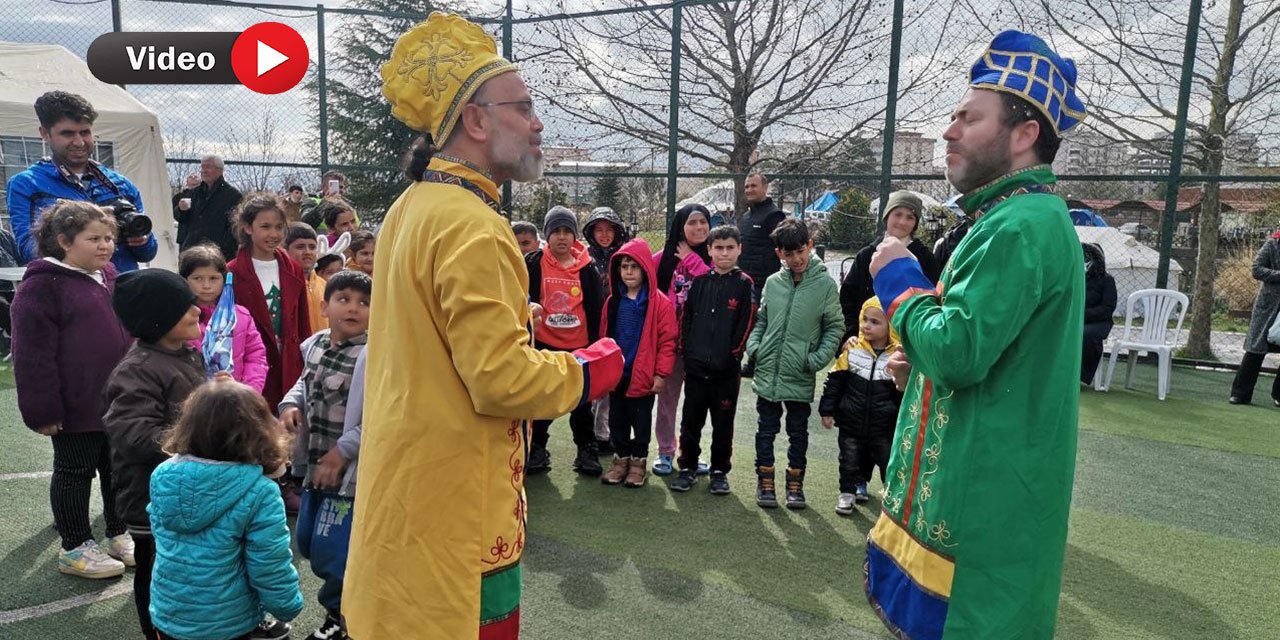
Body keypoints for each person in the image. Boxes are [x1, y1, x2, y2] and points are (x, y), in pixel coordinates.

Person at [346, 13, 623, 638]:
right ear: (475, 120)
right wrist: (592, 365)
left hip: (407, 485)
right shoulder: (473, 224)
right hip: (458, 505)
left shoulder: (410, 208)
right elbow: (500, 383)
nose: (538, 122)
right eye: (523, 107)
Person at [864, 30, 1086, 639]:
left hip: (985, 505)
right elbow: (986, 354)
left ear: (1023, 134)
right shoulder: (1020, 215)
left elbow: (958, 353)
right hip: (989, 484)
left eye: (969, 117)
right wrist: (925, 371)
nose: (949, 131)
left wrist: (900, 281)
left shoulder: (1018, 224)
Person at [11, 200, 134, 579]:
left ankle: (117, 531)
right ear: (64, 241)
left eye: (109, 237)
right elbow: (31, 355)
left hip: (115, 401)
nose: (105, 245)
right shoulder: (41, 286)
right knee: (75, 471)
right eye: (93, 238)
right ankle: (75, 545)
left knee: (118, 469)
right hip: (74, 405)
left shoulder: (108, 276)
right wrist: (43, 410)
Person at [148, 381, 304, 640]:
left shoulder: (163, 474)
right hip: (227, 623)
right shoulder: (260, 492)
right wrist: (286, 605)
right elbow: (269, 563)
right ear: (259, 431)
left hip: (169, 614)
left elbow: (161, 534)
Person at [102, 268, 206, 639]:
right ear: (157, 319)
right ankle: (156, 631)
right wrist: (199, 440)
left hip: (183, 492)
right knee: (154, 572)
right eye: (184, 306)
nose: (197, 309)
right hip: (150, 499)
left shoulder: (185, 354)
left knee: (184, 569)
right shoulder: (138, 370)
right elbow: (132, 434)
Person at [278, 270, 372, 640]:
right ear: (325, 305)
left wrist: (342, 452)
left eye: (365, 302)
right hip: (314, 469)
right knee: (307, 544)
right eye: (344, 299)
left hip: (346, 476)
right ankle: (342, 610)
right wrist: (289, 404)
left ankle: (342, 620)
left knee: (334, 553)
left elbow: (380, 416)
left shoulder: (374, 354)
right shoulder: (315, 344)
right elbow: (304, 382)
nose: (354, 308)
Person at [744, 218, 842, 510]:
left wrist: (814, 360)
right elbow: (762, 319)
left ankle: (795, 486)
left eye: (800, 251)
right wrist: (755, 347)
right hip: (768, 373)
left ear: (810, 246)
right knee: (765, 430)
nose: (796, 259)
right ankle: (765, 482)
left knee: (797, 433)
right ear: (779, 255)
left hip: (799, 374)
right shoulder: (773, 284)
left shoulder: (824, 285)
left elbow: (834, 327)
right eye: (789, 254)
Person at [6, 91, 158, 272]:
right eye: (68, 134)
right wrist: (81, 226)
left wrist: (141, 241)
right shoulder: (26, 185)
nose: (79, 142)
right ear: (45, 134)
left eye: (85, 132)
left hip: (123, 290)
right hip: (68, 291)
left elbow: (148, 253)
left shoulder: (121, 185)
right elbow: (29, 251)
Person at [670, 225, 756, 494]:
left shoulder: (744, 284)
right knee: (690, 421)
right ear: (708, 250)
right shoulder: (700, 282)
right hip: (695, 369)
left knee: (722, 424)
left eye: (730, 247)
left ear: (739, 249)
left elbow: (747, 322)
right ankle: (687, 467)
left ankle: (720, 471)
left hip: (725, 373)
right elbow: (687, 318)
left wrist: (733, 355)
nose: (724, 253)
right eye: (718, 248)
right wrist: (686, 351)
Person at [524, 206, 606, 475]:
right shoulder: (535, 263)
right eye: (555, 231)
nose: (561, 237)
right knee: (543, 399)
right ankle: (537, 449)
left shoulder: (587, 268)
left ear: (574, 236)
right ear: (547, 235)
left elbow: (595, 308)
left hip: (579, 346)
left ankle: (586, 450)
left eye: (567, 231)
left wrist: (594, 346)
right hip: (544, 345)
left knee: (581, 404)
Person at [598, 239, 676, 488]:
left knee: (640, 423)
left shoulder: (660, 303)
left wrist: (661, 374)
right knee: (616, 421)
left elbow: (667, 341)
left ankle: (638, 462)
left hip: (642, 376)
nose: (628, 271)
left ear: (645, 269)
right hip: (617, 374)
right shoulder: (614, 301)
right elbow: (603, 337)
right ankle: (620, 460)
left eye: (634, 266)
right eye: (624, 267)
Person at [226, 192, 312, 410]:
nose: (273, 234)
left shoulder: (293, 268)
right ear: (248, 227)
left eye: (279, 227)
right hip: (253, 371)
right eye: (265, 227)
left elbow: (303, 323)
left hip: (290, 368)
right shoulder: (232, 272)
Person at [818, 298, 901, 515]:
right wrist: (827, 410)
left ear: (890, 326)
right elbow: (834, 382)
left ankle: (892, 499)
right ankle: (847, 494)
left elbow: (901, 393)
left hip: (883, 426)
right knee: (848, 461)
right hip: (851, 423)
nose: (866, 325)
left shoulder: (896, 357)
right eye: (865, 319)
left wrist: (897, 417)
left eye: (875, 322)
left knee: (888, 462)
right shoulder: (852, 351)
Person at [651, 203, 714, 475]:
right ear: (680, 226)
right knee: (667, 401)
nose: (699, 228)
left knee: (697, 404)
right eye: (692, 222)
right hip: (670, 346)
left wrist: (691, 259)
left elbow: (715, 285)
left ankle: (690, 453)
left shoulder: (715, 256)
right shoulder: (661, 259)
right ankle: (665, 451)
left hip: (703, 345)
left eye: (704, 222)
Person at [839, 190, 941, 330]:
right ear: (887, 216)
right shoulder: (866, 256)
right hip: (864, 338)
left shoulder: (925, 259)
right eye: (897, 214)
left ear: (916, 223)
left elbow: (932, 302)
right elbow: (847, 300)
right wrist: (850, 334)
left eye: (910, 217)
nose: (902, 222)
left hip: (906, 338)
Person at [181, 244, 269, 392]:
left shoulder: (241, 316)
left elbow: (256, 357)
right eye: (197, 278)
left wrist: (248, 391)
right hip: (195, 401)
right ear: (184, 280)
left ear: (225, 279)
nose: (206, 285)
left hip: (237, 398)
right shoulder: (180, 319)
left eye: (213, 278)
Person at [583, 206, 632, 455]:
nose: (604, 235)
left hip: (618, 324)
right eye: (598, 230)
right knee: (594, 380)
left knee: (613, 380)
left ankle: (604, 432)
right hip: (593, 327)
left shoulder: (624, 256)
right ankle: (591, 431)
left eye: (609, 230)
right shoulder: (585, 257)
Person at [1229, 230, 1280, 405]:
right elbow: (1256, 269)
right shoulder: (1272, 244)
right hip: (1268, 306)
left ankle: (1279, 395)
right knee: (1255, 350)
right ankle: (1240, 394)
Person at [172, 155, 242, 260]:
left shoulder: (233, 195)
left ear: (220, 170)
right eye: (202, 167)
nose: (204, 171)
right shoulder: (195, 193)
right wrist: (181, 210)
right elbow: (180, 218)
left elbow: (235, 227)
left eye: (208, 167)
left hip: (217, 254)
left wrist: (224, 248)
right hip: (192, 250)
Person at [736, 172, 786, 299]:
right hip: (744, 282)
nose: (749, 190)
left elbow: (785, 248)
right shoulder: (746, 217)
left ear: (765, 188)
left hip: (764, 287)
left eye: (753, 186)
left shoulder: (775, 215)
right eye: (747, 187)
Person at [1081, 242, 1117, 386]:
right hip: (1076, 319)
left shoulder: (1107, 280)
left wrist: (1084, 314)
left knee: (1086, 335)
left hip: (1099, 322)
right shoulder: (1077, 278)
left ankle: (1082, 376)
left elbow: (1107, 308)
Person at [285, 222, 328, 333]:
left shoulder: (325, 285)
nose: (307, 252)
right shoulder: (282, 285)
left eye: (312, 247)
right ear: (285, 250)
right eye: (300, 247)